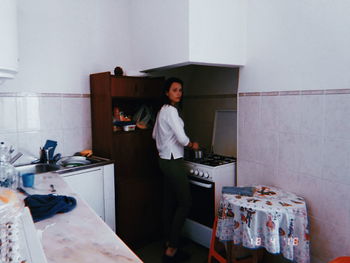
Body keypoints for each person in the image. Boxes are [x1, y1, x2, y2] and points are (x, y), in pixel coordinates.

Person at [152, 77, 199, 263]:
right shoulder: (171, 111)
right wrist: (192, 144)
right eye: (174, 90)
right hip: (173, 161)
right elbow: (181, 138)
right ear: (167, 92)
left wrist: (164, 144)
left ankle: (169, 242)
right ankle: (172, 248)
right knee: (185, 202)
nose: (178, 93)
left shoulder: (162, 111)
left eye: (180, 90)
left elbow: (154, 134)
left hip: (163, 160)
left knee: (169, 202)